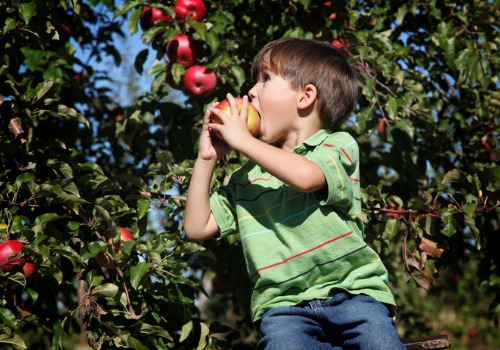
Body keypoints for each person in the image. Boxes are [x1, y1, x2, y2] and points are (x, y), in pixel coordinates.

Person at [183, 37, 405, 349]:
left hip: (352, 294)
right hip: (284, 309)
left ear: (305, 97)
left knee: (381, 344)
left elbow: (305, 176)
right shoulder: (245, 179)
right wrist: (206, 159)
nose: (251, 91)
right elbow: (196, 227)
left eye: (265, 79)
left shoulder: (338, 146)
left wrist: (242, 141)